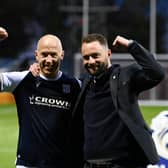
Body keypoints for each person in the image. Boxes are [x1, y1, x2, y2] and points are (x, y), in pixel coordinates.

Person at [72, 33, 165, 168]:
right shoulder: (83, 84)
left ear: (108, 53)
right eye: (86, 57)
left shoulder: (125, 76)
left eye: (95, 55)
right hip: (90, 164)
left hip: (123, 163)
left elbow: (157, 73)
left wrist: (131, 46)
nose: (91, 61)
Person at [0, 27, 82, 168]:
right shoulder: (23, 80)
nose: (49, 60)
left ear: (62, 55)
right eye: (44, 54)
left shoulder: (75, 86)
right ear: (36, 55)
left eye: (53, 54)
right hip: (27, 165)